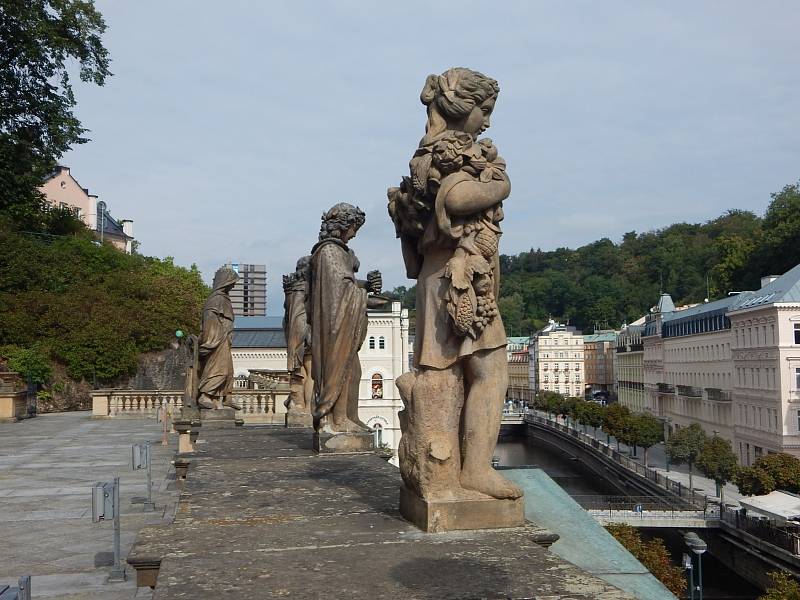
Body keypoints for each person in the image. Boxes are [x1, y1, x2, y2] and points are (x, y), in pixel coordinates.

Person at [388, 68, 522, 500]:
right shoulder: (451, 154)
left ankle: (447, 470)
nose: (487, 121)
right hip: (458, 277)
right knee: (491, 371)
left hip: (441, 275)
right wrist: (500, 184)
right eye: (484, 111)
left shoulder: (427, 152)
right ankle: (475, 470)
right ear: (464, 108)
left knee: (446, 375)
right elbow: (456, 198)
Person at [308, 203, 383, 433]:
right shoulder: (329, 252)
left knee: (354, 371)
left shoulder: (337, 252)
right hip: (334, 325)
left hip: (340, 320)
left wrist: (367, 286)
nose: (355, 233)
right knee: (342, 370)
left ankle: (350, 415)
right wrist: (365, 298)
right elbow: (338, 292)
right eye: (353, 227)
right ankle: (338, 420)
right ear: (343, 225)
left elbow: (345, 285)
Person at [197, 266, 240, 410]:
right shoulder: (215, 299)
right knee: (219, 369)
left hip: (225, 339)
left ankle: (220, 398)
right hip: (217, 340)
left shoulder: (224, 299)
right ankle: (205, 395)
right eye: (232, 283)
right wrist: (211, 340)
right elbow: (209, 319)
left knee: (229, 370)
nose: (233, 286)